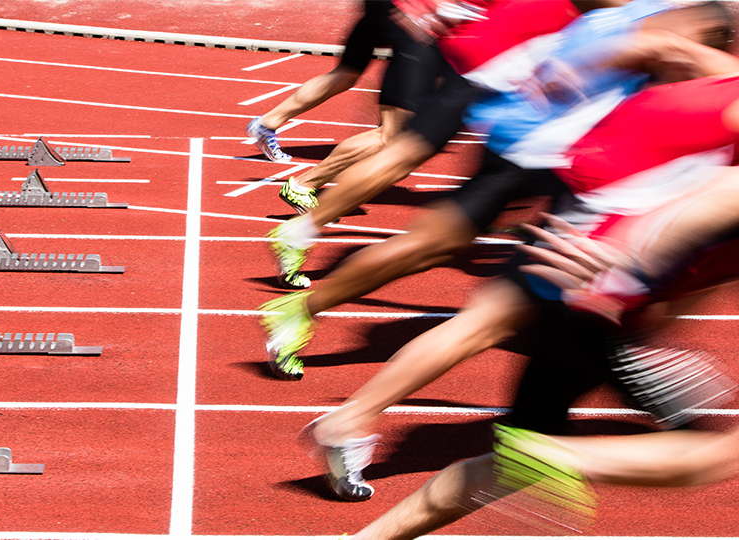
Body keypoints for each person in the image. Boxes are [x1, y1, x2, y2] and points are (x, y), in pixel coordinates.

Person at [302, 67, 739, 503]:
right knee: (505, 340)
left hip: (601, 203)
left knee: (490, 328)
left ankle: (352, 421)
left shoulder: (703, 75)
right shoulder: (698, 65)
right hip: (610, 228)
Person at [260, 0, 737, 382]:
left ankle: (303, 304)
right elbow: (660, 51)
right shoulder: (673, 21)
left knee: (436, 248)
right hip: (549, 154)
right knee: (469, 271)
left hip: (543, 147)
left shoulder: (641, 15)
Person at [346, 221, 739, 540]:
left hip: (588, 306)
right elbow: (706, 202)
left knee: (504, 467)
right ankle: (550, 455)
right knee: (713, 452)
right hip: (610, 314)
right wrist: (633, 263)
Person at [267, 0, 590, 288]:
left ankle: (300, 230)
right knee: (397, 142)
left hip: (480, 44)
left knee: (407, 148)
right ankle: (305, 197)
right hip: (499, 52)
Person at [246, 0, 440, 165]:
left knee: (345, 73)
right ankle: (378, 144)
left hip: (379, 7)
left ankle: (267, 123)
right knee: (430, 67)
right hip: (406, 13)